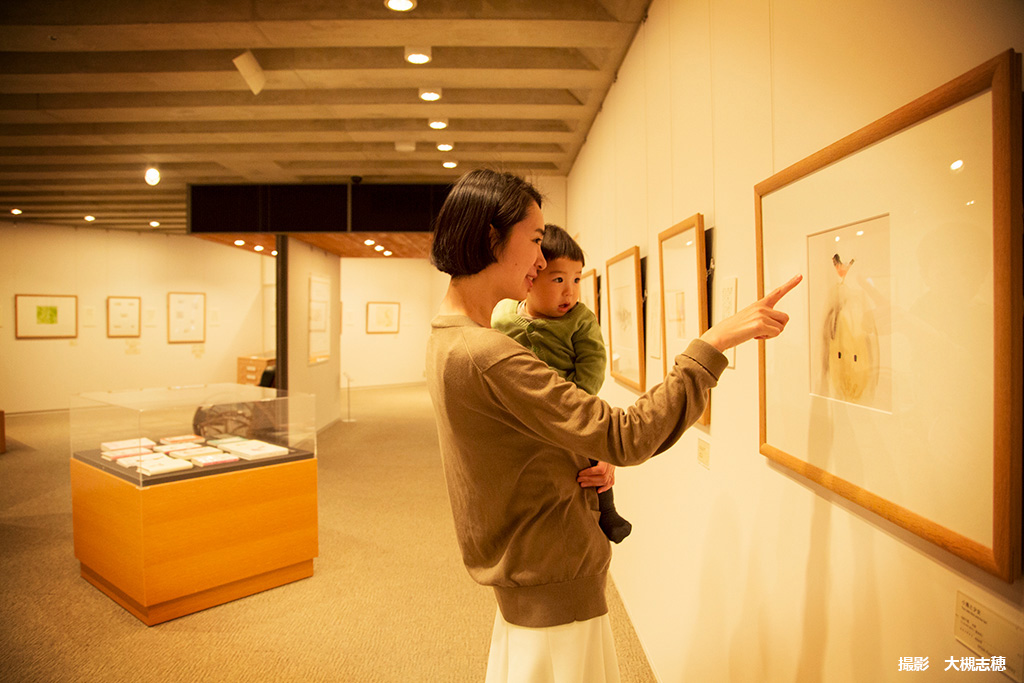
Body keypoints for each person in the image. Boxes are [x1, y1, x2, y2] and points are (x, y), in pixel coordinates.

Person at [426, 168, 800, 683]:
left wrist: (572, 459)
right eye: (534, 240)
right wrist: (712, 344)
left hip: (535, 575)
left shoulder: (451, 337)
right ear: (492, 236)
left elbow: (510, 448)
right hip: (550, 581)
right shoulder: (488, 353)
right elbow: (625, 434)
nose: (541, 259)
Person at [491, 224, 631, 543]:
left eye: (577, 279)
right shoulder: (503, 317)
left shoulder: (580, 320)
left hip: (570, 407)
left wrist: (572, 402)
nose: (570, 291)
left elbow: (593, 366)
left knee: (593, 453)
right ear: (530, 278)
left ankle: (607, 510)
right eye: (558, 279)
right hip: (520, 414)